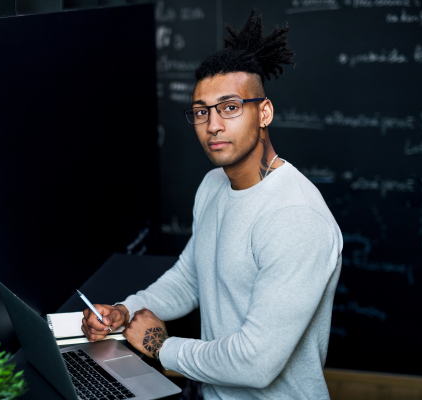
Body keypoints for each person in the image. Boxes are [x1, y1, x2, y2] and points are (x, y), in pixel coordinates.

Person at [81, 10, 342, 400]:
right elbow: (191, 277)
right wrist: (125, 311)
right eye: (202, 111)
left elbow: (256, 362)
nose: (213, 124)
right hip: (206, 391)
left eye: (230, 107)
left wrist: (161, 347)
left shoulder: (296, 218)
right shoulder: (213, 186)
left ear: (264, 112)